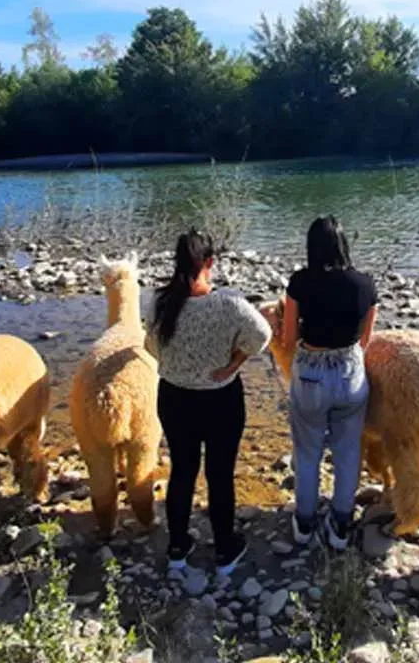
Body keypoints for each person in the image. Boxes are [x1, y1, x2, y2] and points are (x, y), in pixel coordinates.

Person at [145, 229, 272, 577]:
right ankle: (225, 549)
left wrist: (174, 366)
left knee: (182, 471)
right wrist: (233, 364)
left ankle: (177, 548)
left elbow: (149, 346)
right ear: (210, 263)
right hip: (220, 399)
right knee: (219, 475)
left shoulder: (159, 302)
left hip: (173, 397)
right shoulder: (229, 304)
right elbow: (262, 335)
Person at [283, 216, 378, 550]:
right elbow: (365, 339)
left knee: (307, 452)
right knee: (348, 452)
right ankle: (340, 524)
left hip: (310, 372)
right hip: (350, 371)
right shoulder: (365, 284)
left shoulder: (299, 283)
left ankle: (305, 524)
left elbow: (289, 336)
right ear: (344, 245)